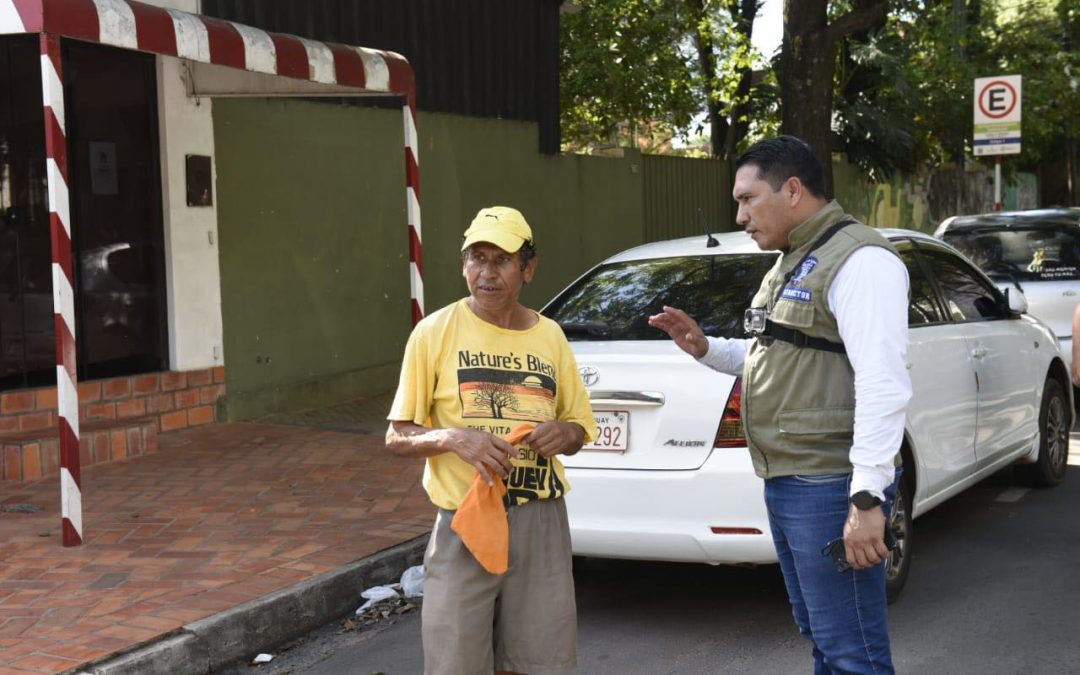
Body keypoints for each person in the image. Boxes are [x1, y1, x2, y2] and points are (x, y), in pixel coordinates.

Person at [649, 136, 912, 674]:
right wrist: (706, 348)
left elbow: (883, 383)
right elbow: (782, 354)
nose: (740, 216)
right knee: (824, 637)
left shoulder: (860, 261)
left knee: (852, 649)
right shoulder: (795, 259)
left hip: (830, 483)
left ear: (792, 190)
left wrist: (867, 497)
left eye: (748, 199)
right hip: (791, 480)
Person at [385, 205, 597, 675]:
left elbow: (579, 428)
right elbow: (397, 436)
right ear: (463, 266)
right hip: (464, 520)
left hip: (539, 519)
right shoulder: (433, 333)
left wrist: (564, 433)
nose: (487, 272)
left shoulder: (551, 336)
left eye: (502, 260)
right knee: (454, 660)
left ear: (528, 269)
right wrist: (453, 438)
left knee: (539, 661)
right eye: (477, 258)